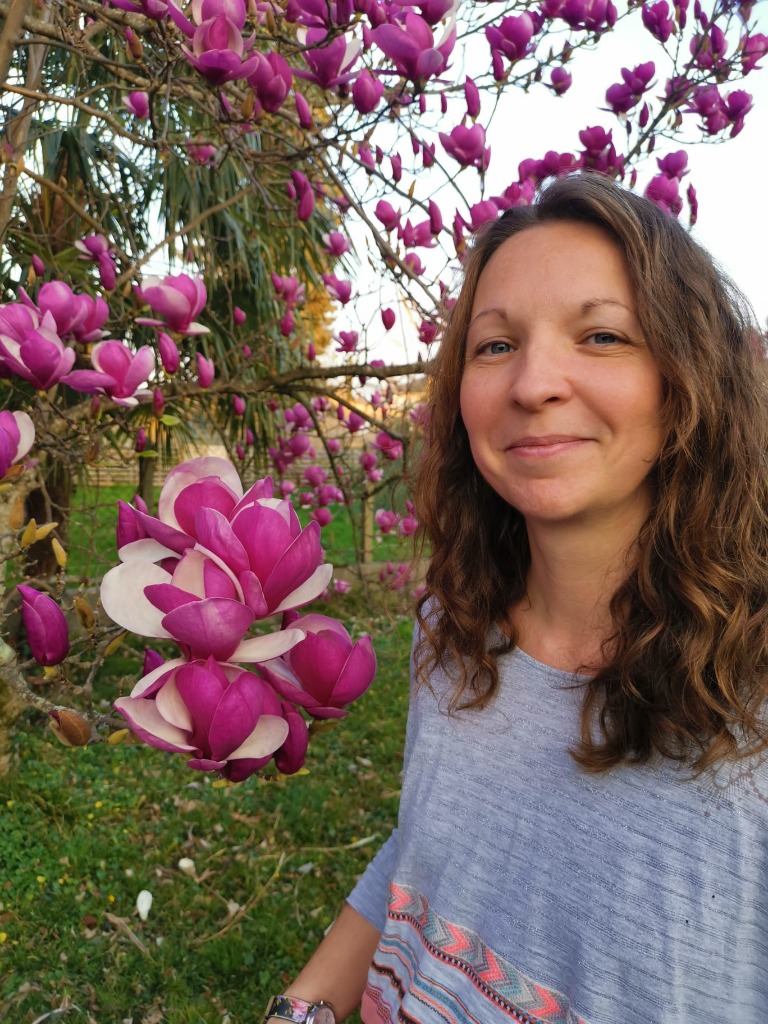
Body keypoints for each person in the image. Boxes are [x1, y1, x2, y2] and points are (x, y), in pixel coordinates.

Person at [261, 173, 768, 1024]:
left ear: (691, 378)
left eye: (602, 336)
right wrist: (300, 1011)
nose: (533, 384)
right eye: (494, 347)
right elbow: (425, 851)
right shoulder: (451, 628)